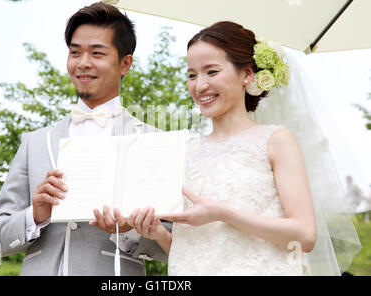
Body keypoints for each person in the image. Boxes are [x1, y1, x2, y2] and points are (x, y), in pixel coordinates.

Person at [129, 21, 361, 275]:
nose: (200, 85)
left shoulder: (276, 140)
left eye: (212, 71)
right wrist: (160, 234)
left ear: (247, 74)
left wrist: (223, 213)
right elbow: (193, 254)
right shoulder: (185, 152)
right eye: (192, 75)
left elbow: (305, 235)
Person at [0, 2, 168, 276]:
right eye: (75, 52)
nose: (83, 63)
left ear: (125, 63)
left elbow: (173, 244)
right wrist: (34, 215)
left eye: (97, 53)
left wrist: (128, 232)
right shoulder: (34, 143)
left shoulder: (152, 142)